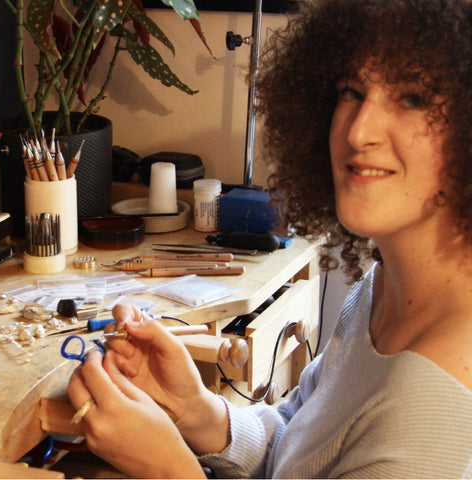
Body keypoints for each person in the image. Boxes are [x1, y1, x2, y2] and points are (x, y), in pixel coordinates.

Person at [67, 0, 472, 477]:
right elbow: (295, 445)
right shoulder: (381, 290)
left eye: (413, 99)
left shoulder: (439, 416)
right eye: (351, 90)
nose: (359, 130)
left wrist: (169, 469)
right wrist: (197, 410)